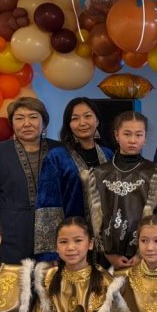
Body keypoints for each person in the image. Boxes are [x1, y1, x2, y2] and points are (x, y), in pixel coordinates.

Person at [0, 97, 61, 264]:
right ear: (12, 123)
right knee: (13, 279)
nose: (26, 124)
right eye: (19, 118)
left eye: (33, 117)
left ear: (44, 122)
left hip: (56, 233)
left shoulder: (60, 150)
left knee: (50, 279)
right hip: (10, 234)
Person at [34, 98, 113, 262]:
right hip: (72, 244)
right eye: (75, 118)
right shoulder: (57, 157)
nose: (82, 123)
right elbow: (48, 207)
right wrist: (51, 255)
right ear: (68, 125)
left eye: (87, 116)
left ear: (97, 120)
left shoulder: (108, 154)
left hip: (107, 244)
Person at [89, 112, 157, 270]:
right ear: (117, 135)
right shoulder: (98, 173)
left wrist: (142, 253)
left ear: (145, 138)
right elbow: (92, 218)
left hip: (148, 255)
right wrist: (107, 253)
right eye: (127, 134)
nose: (133, 140)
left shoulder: (156, 174)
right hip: (106, 258)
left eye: (138, 135)